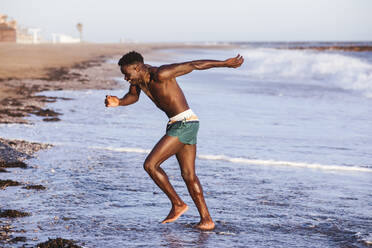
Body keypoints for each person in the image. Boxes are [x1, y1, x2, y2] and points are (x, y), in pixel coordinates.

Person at [105, 51, 244, 230]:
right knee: (188, 175)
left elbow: (193, 64)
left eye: (127, 73)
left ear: (138, 67)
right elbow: (133, 97)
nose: (125, 78)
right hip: (179, 124)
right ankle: (207, 220)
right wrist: (119, 102)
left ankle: (177, 204)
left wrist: (224, 64)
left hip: (185, 123)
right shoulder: (138, 80)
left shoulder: (161, 74)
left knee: (150, 165)